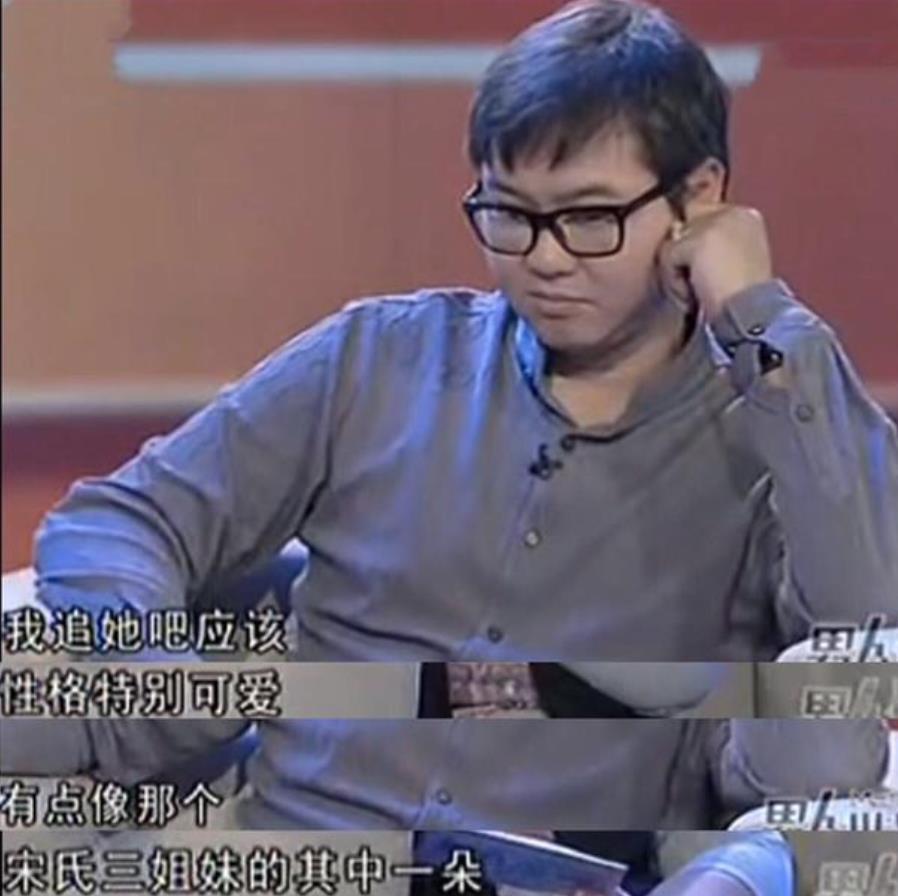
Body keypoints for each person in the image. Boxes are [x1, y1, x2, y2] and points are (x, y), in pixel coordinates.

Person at [1, 0, 896, 893]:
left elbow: (866, 623)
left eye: (588, 218)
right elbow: (127, 517)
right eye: (509, 214)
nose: (545, 259)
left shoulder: (772, 427)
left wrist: (760, 318)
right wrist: (140, 654)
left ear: (697, 199)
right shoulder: (377, 357)